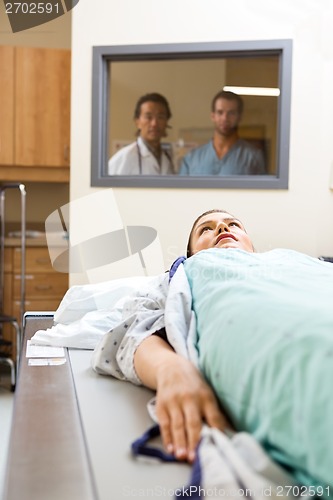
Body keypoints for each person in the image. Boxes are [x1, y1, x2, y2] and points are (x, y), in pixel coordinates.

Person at [93, 209, 333, 492]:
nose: (222, 227)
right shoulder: (188, 272)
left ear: (251, 244)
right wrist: (171, 369)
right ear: (192, 254)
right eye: (206, 229)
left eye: (233, 224)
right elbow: (129, 332)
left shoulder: (296, 261)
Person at [179, 91, 266, 176]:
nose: (225, 118)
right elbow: (181, 189)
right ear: (213, 116)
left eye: (231, 113)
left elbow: (262, 189)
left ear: (240, 117)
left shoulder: (253, 157)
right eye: (220, 112)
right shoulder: (192, 158)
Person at [108, 92, 174, 175]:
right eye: (148, 117)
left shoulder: (167, 158)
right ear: (137, 122)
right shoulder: (125, 157)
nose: (154, 123)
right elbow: (103, 188)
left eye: (160, 117)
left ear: (166, 122)